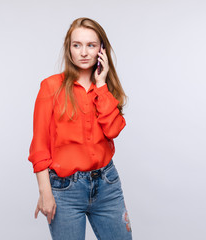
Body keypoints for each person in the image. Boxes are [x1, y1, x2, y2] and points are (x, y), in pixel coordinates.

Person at [28, 17, 132, 240]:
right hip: (65, 189)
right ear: (69, 49)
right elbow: (39, 146)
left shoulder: (107, 88)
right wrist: (45, 192)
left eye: (91, 45)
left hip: (107, 185)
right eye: (77, 45)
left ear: (101, 50)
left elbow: (113, 130)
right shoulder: (51, 87)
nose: (84, 52)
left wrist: (102, 85)